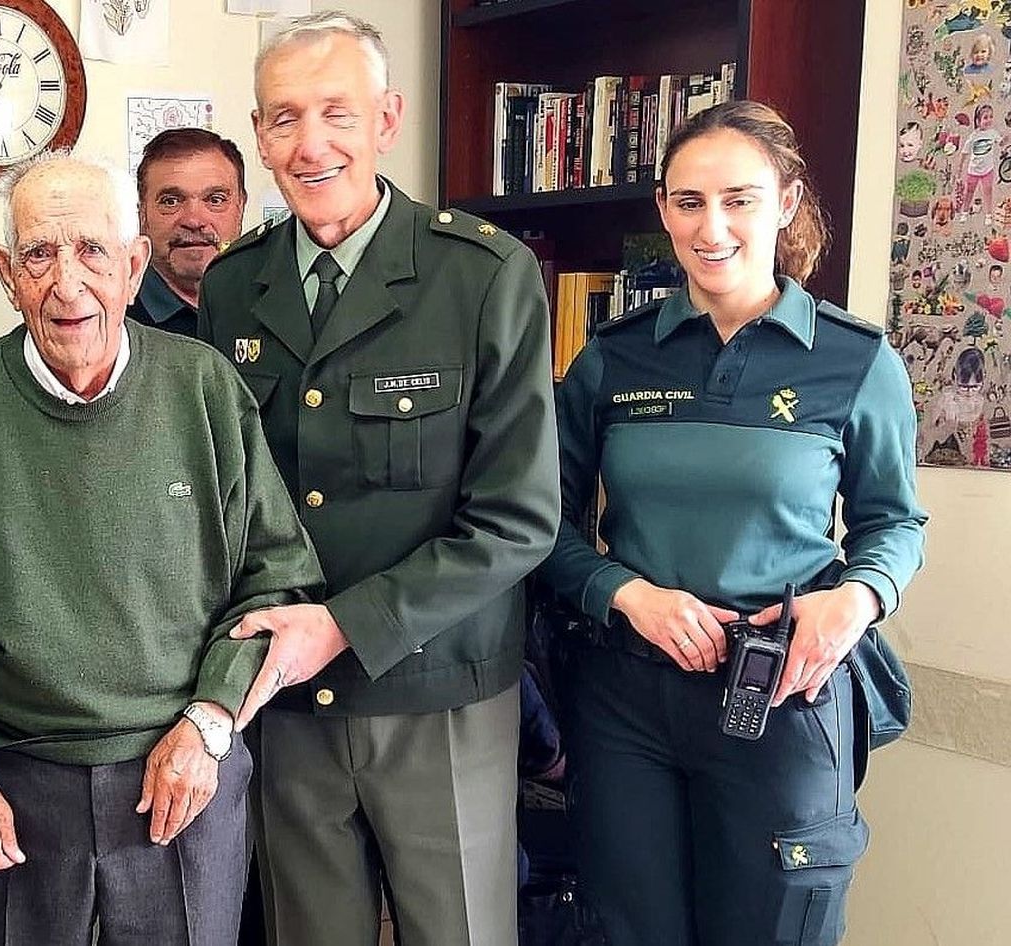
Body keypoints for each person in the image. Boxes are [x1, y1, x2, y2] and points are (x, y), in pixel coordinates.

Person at [0, 151, 324, 946]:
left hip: (183, 771)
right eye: (39, 254)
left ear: (133, 264)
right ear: (6, 274)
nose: (68, 282)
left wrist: (211, 720)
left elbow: (277, 580)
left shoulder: (206, 389)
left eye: (92, 251)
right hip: (9, 785)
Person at [198, 12, 561, 946]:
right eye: (283, 119)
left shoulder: (481, 273)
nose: (309, 144)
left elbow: (519, 519)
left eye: (336, 112)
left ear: (388, 119)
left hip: (437, 687)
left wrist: (344, 627)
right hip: (284, 695)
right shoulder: (236, 284)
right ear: (259, 134)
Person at [538, 99, 928, 946]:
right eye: (688, 202)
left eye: (739, 199)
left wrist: (853, 601)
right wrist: (626, 593)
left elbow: (895, 525)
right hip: (626, 703)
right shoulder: (614, 355)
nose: (711, 227)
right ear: (663, 211)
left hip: (783, 693)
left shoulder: (856, 361)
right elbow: (547, 528)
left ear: (786, 201)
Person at [128, 127, 249, 337]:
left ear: (241, 207)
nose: (194, 221)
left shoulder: (275, 306)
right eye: (171, 201)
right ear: (142, 215)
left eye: (215, 200)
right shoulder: (113, 322)